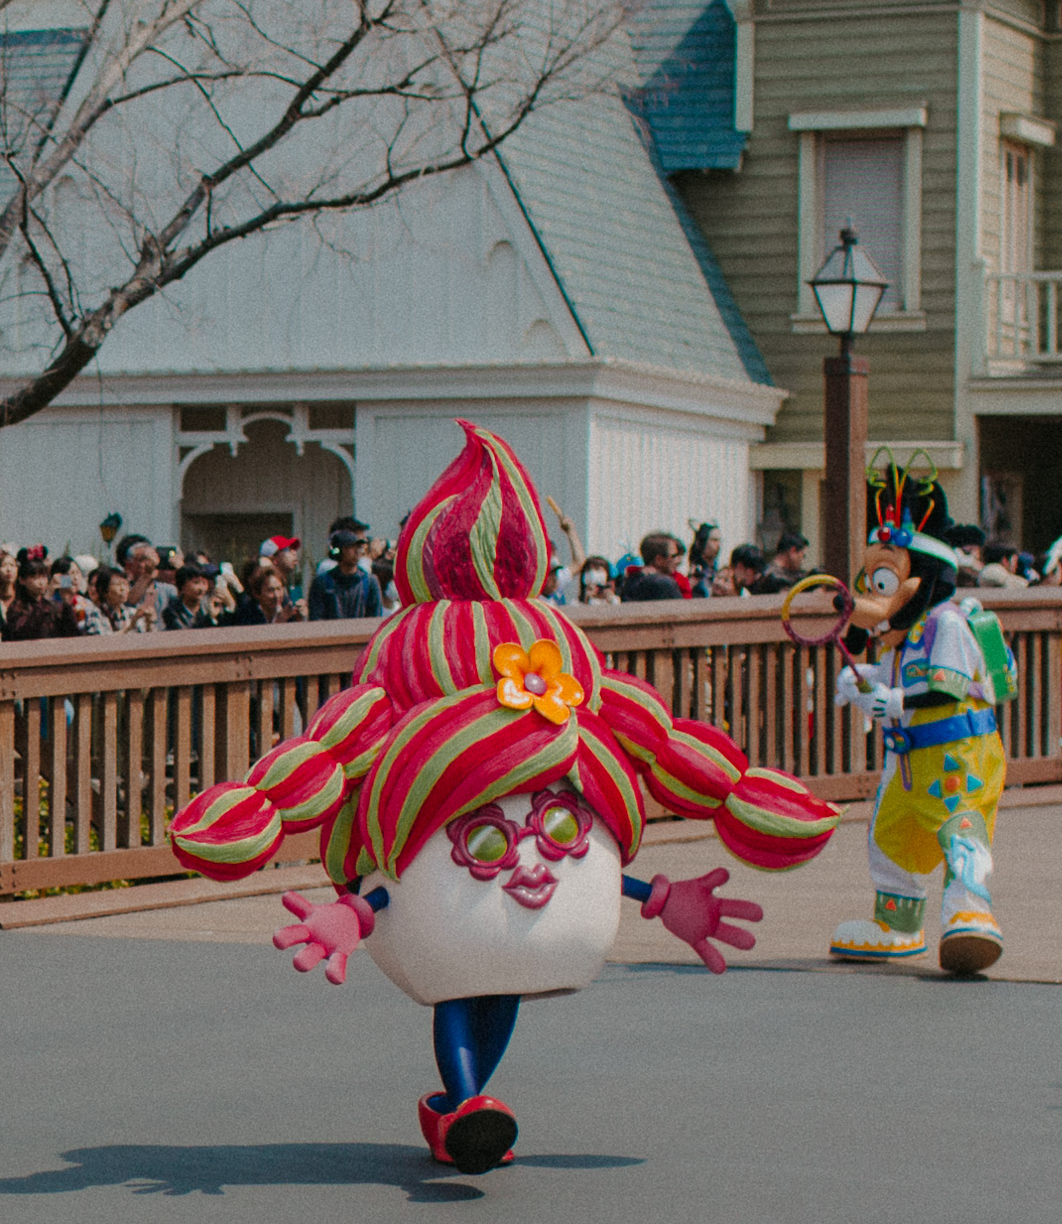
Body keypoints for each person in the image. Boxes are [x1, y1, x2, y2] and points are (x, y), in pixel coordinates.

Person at [171, 421, 839, 1175]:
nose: (529, 845)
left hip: (493, 906)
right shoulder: (414, 679)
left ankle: (459, 1109)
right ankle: (463, 1101)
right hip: (438, 902)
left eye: (556, 821)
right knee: (465, 980)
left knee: (499, 982)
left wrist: (662, 896)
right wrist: (353, 904)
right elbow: (331, 752)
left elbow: (654, 745)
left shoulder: (556, 675)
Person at [830, 456, 1011, 975]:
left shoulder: (946, 625)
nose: (871, 597)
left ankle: (971, 913)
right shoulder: (900, 639)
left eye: (883, 582)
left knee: (961, 833)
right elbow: (890, 689)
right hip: (907, 762)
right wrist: (861, 688)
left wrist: (896, 702)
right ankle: (898, 926)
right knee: (890, 840)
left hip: (958, 756)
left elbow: (945, 688)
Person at [3, 551, 81, 640]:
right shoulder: (16, 608)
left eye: (44, 577)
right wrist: (48, 595)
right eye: (35, 577)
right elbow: (26, 632)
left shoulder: (55, 606)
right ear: (22, 580)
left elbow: (72, 633)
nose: (41, 582)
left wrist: (67, 603)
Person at [308, 531, 382, 620]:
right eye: (350, 547)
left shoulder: (370, 582)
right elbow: (316, 619)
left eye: (358, 547)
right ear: (339, 551)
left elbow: (374, 619)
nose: (356, 551)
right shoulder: (322, 583)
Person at [233, 563, 308, 626]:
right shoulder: (247, 615)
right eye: (270, 590)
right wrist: (278, 622)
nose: (277, 595)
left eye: (279, 589)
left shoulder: (288, 608)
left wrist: (300, 619)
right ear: (257, 594)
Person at [619, 533, 684, 602]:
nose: (678, 561)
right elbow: (680, 610)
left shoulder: (631, 581)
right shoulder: (664, 583)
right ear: (659, 560)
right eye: (674, 556)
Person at [162, 562, 220, 630]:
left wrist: (213, 617)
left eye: (204, 583)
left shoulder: (208, 608)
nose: (201, 588)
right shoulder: (172, 613)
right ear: (183, 586)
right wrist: (209, 619)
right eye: (196, 583)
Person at [260, 535, 304, 604]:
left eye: (294, 549)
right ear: (274, 558)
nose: (294, 552)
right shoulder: (264, 591)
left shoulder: (291, 587)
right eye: (288, 549)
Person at [688, 523, 722, 597]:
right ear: (701, 543)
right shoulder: (694, 572)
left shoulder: (719, 571)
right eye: (714, 540)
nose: (718, 545)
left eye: (719, 541)